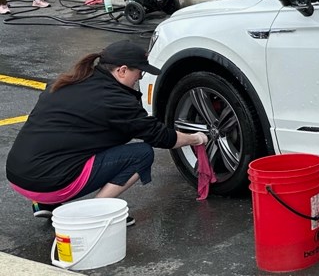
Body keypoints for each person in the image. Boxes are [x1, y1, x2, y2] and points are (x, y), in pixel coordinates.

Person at [5, 41, 208, 225]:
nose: (140, 77)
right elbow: (161, 137)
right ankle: (92, 214)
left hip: (18, 175)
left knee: (70, 146)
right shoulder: (116, 101)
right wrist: (196, 138)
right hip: (49, 183)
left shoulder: (68, 82)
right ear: (121, 70)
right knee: (142, 154)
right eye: (139, 72)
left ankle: (44, 204)